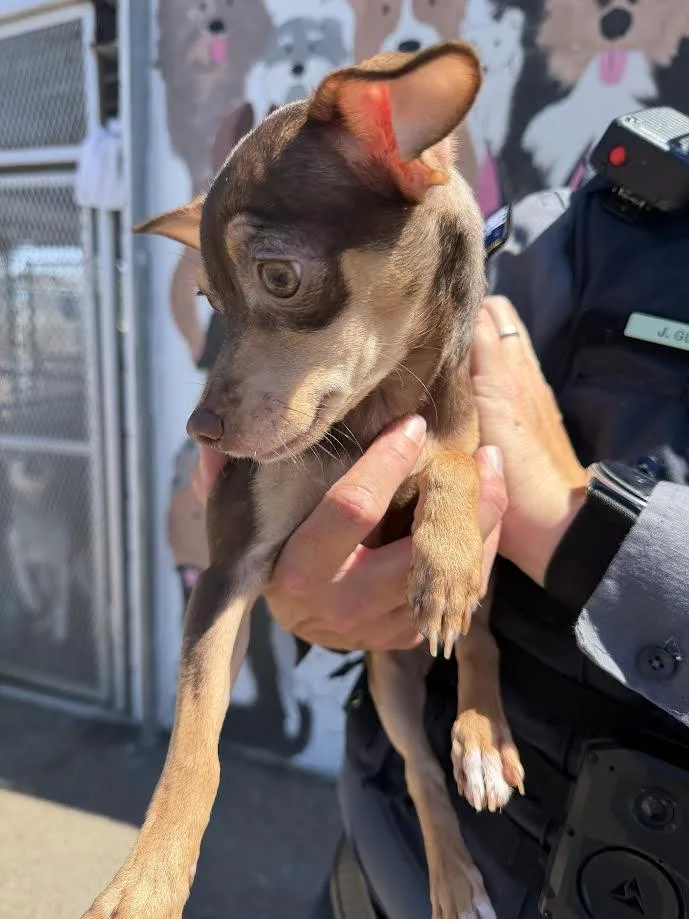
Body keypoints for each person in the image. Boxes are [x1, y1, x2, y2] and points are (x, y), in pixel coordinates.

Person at [197, 174, 689, 918]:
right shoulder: (557, 225)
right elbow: (372, 487)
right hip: (377, 849)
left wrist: (578, 532)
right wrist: (316, 603)